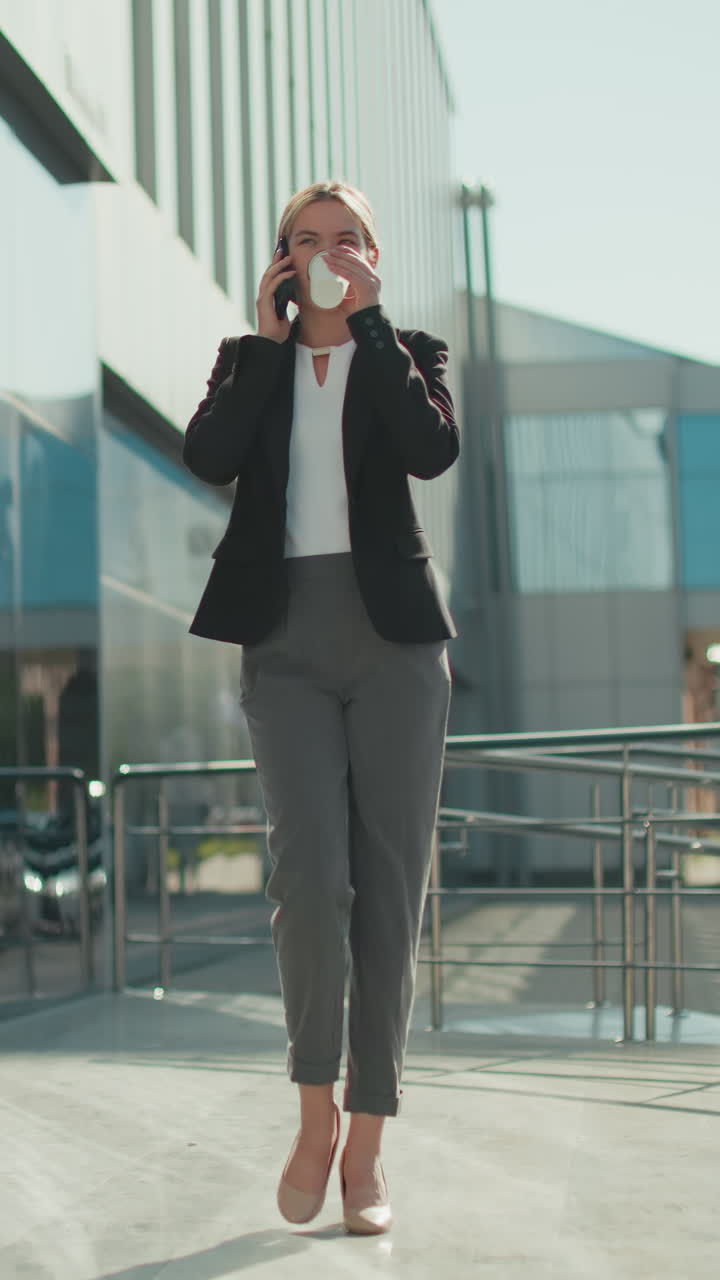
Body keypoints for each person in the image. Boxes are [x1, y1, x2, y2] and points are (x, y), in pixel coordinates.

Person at [183, 181, 460, 1235]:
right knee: (309, 878)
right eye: (305, 240)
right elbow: (208, 459)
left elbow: (429, 452)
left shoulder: (411, 351)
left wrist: (374, 323)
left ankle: (371, 1144)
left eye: (345, 239)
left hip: (395, 645)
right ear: (282, 263)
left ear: (374, 256)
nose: (326, 254)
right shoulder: (248, 363)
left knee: (390, 890)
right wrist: (263, 342)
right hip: (284, 638)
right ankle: (313, 1112)